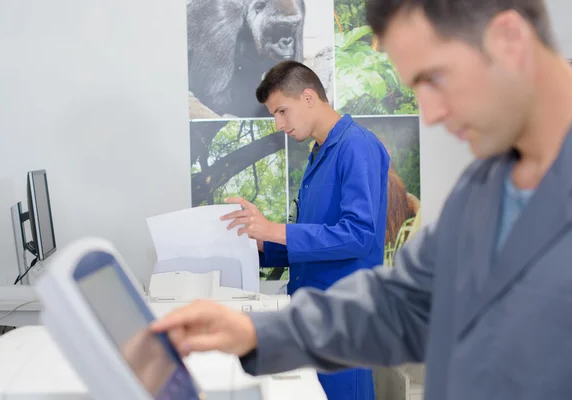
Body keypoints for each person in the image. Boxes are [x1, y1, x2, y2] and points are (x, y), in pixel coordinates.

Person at [151, 0, 572, 398]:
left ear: (509, 39)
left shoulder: (359, 147)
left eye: (435, 78)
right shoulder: (485, 186)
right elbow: (401, 303)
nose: (431, 115)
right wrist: (256, 332)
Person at [218, 60, 390, 400]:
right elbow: (317, 239)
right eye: (274, 115)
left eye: (282, 111)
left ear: (309, 97)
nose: (279, 124)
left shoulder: (357, 146)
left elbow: (358, 235)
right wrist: (260, 243)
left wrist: (274, 229)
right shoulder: (318, 154)